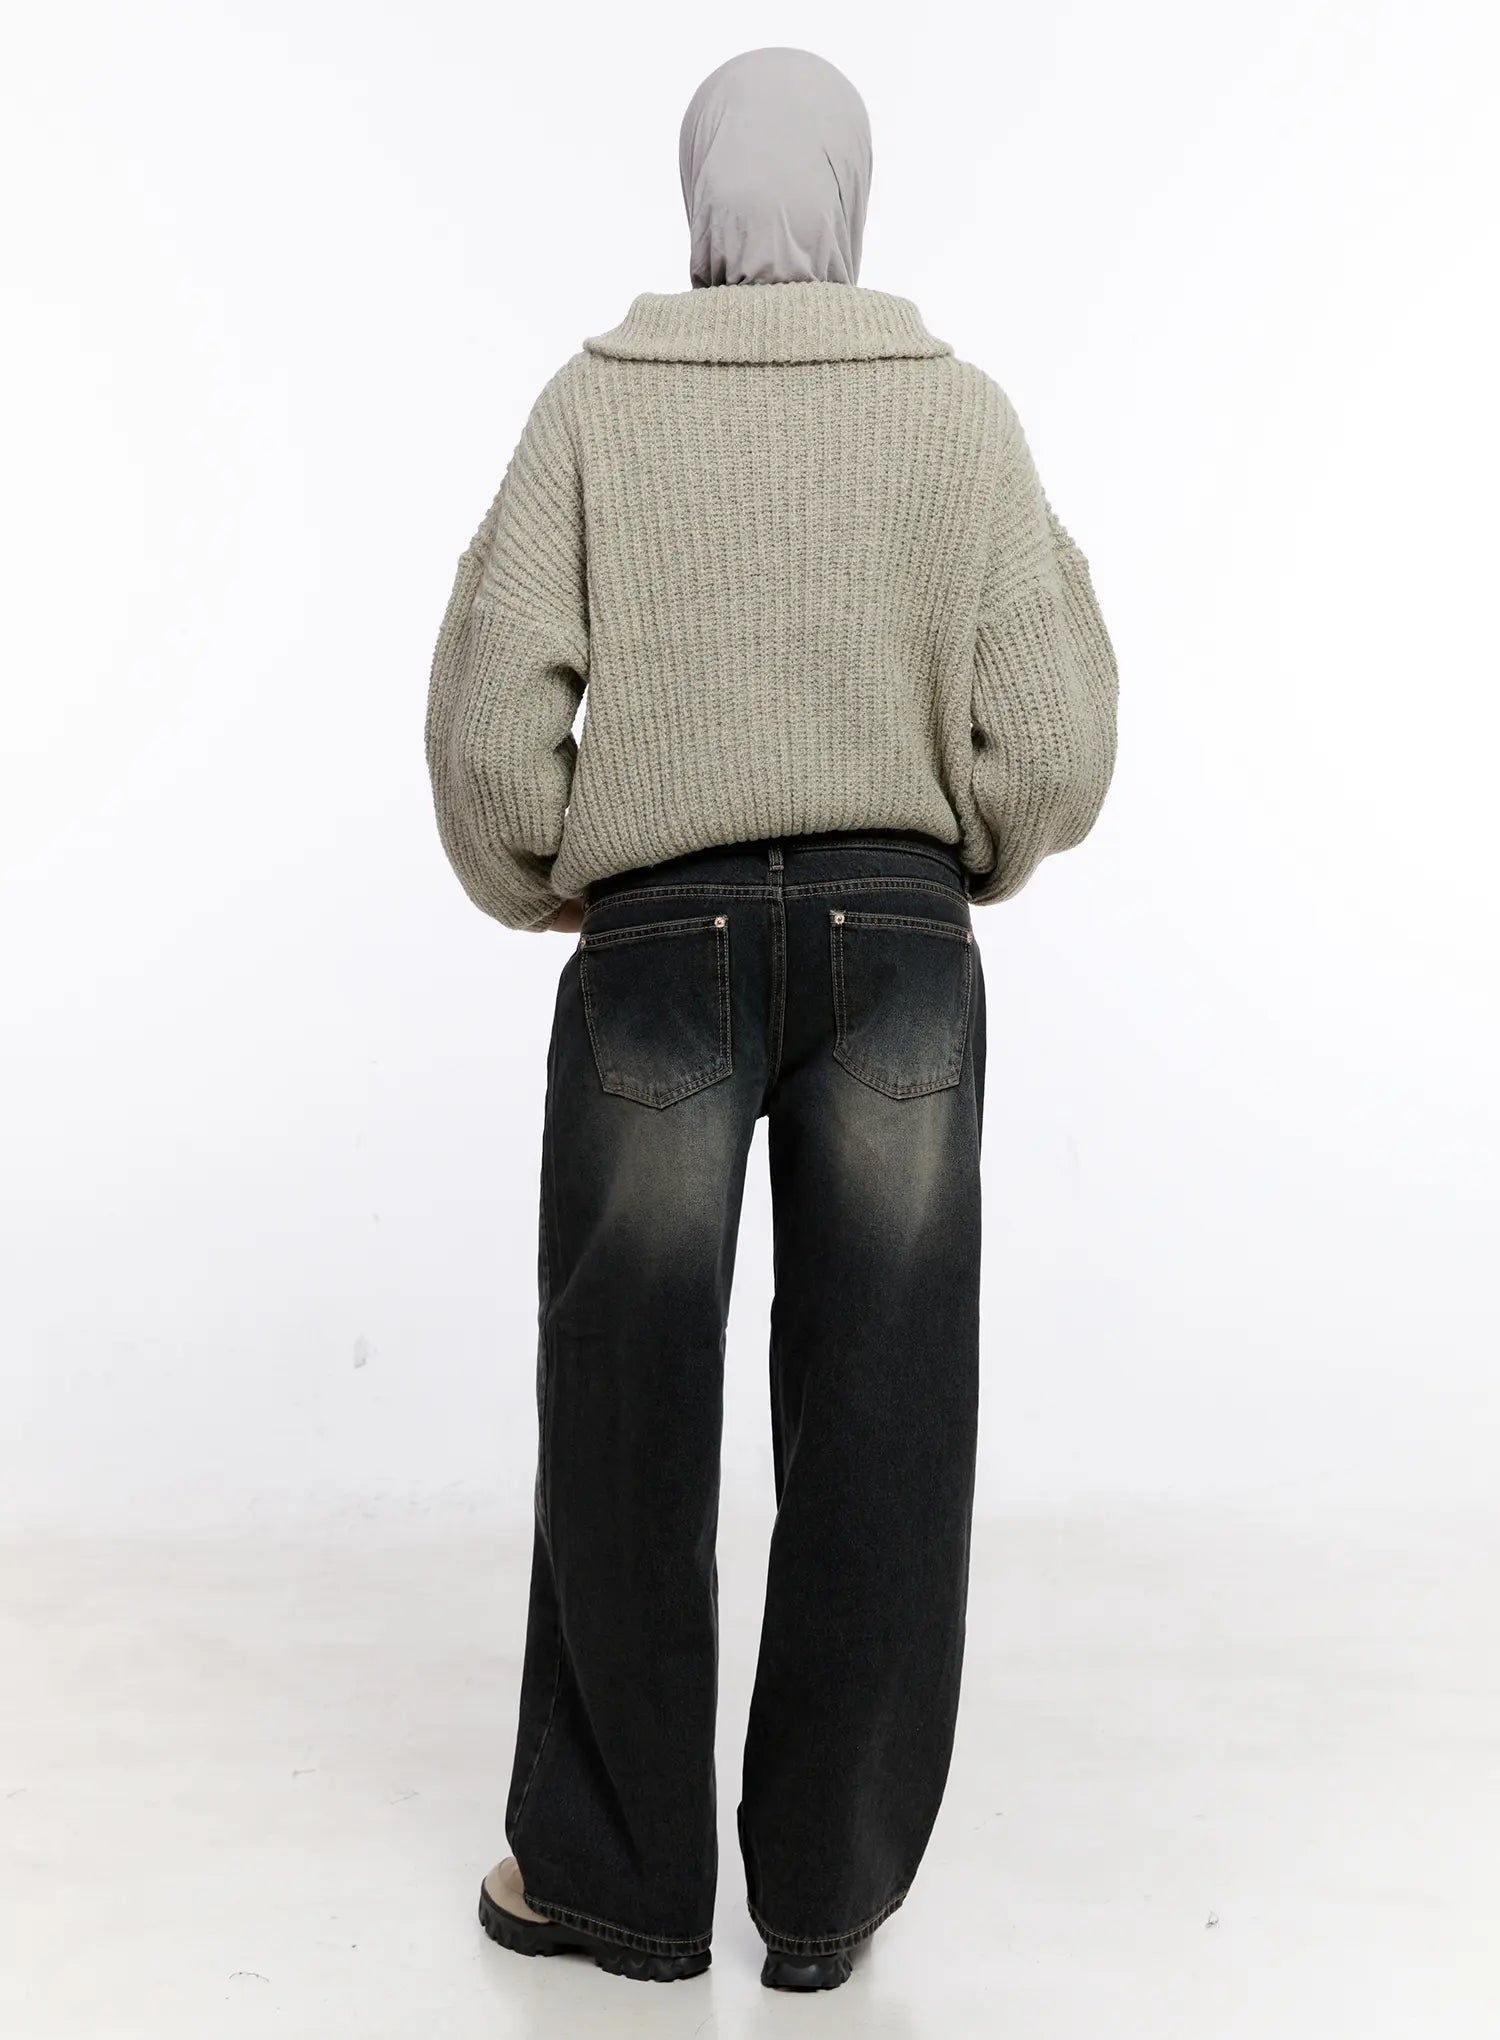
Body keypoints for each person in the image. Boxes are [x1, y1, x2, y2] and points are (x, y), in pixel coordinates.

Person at [424, 44, 1118, 1994]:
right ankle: (826, 1900)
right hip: (898, 942)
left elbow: (488, 737)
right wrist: (962, 855)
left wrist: (558, 872)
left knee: (623, 1411)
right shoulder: (957, 417)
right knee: (885, 1414)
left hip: (657, 936)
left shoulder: (593, 406)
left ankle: (613, 1886)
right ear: (854, 194)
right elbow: (1057, 737)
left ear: (698, 194)